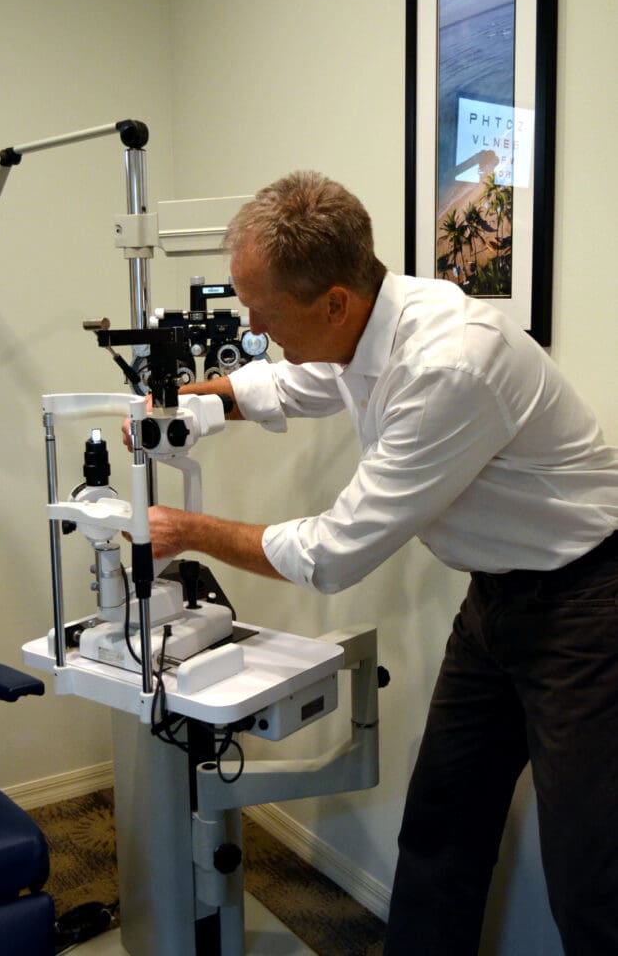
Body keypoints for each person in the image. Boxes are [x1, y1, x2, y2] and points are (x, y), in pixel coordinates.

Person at [125, 170, 618, 956]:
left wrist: (187, 530)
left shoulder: (448, 365)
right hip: (496, 599)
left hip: (589, 605)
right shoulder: (368, 321)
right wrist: (192, 401)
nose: (250, 323)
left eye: (261, 309)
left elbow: (330, 553)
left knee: (594, 877)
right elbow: (294, 381)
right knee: (442, 827)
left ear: (332, 303)